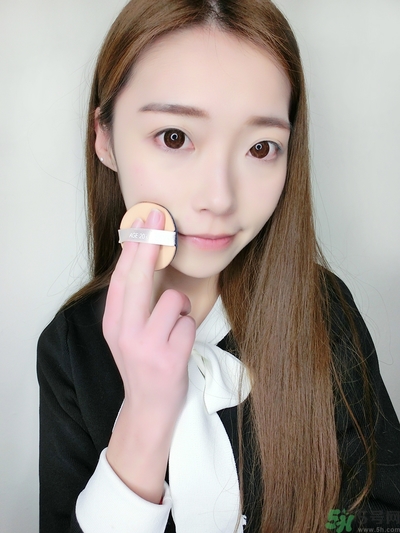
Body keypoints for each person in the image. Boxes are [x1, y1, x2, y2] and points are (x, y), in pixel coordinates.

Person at [37, 1, 400, 532]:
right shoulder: (72, 346)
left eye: (261, 147)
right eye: (175, 137)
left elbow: (376, 515)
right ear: (106, 138)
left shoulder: (323, 310)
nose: (220, 198)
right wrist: (144, 418)